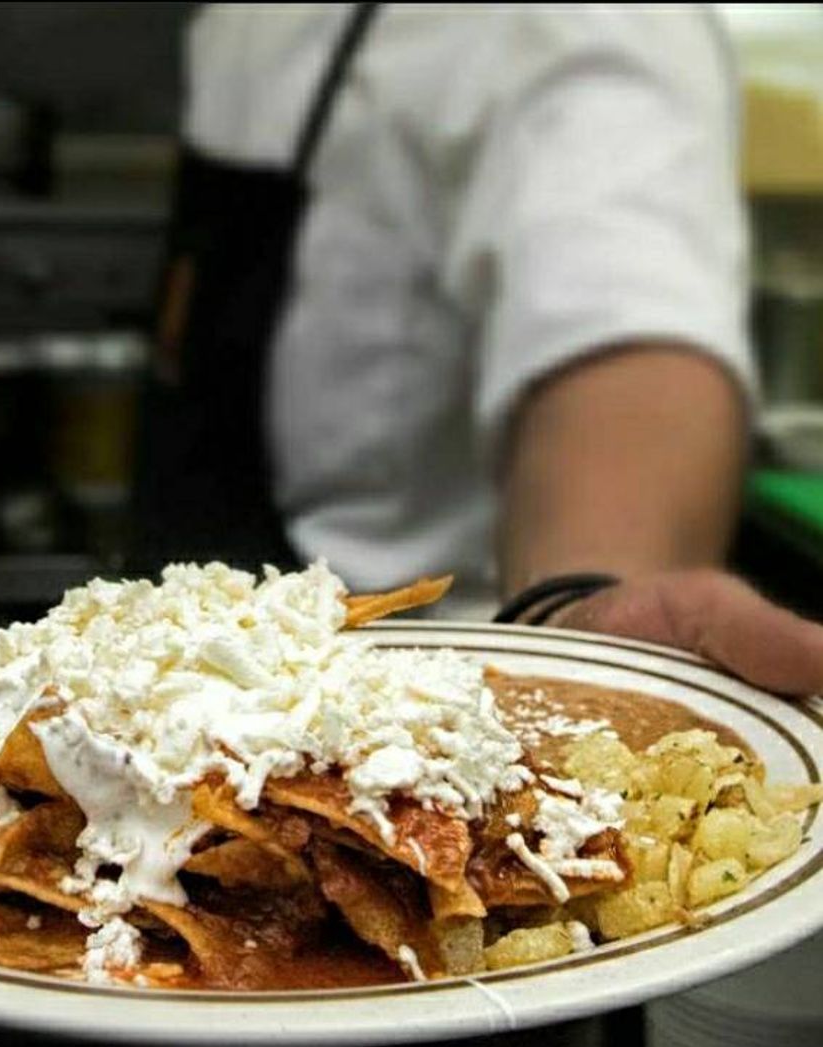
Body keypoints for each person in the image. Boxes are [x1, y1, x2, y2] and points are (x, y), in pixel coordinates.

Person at [135, 3, 823, 697]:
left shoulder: (591, 22)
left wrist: (580, 620)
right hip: (172, 669)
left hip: (380, 710)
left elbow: (627, 340)